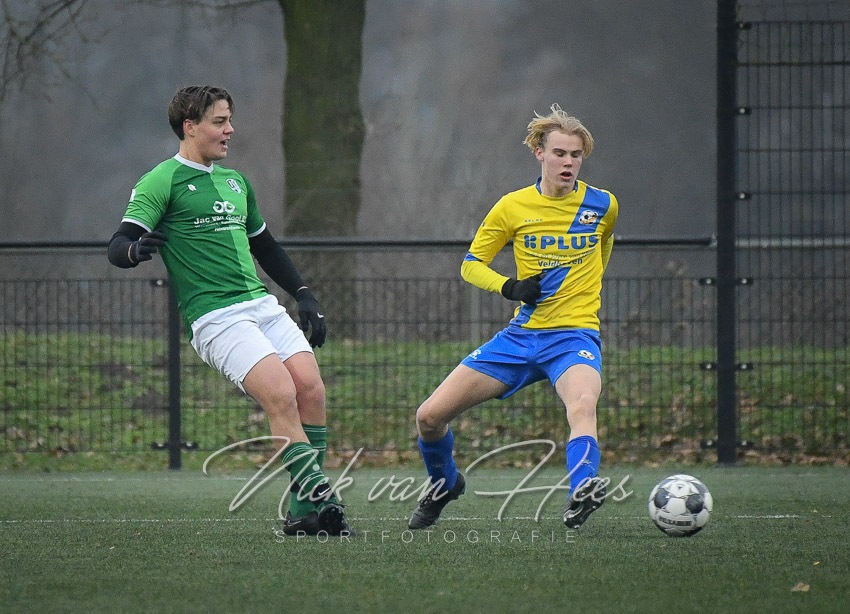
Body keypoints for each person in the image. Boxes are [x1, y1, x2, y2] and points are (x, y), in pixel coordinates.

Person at [107, 85, 352, 537]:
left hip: (261, 306)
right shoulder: (161, 180)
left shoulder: (236, 182)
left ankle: (304, 512)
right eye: (219, 122)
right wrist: (134, 250)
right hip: (215, 317)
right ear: (190, 127)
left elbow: (266, 246)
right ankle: (322, 497)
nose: (230, 130)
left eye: (229, 120)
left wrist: (304, 294)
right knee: (280, 393)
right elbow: (118, 243)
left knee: (311, 389)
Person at [408, 104, 618, 530]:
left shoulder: (602, 205)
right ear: (539, 153)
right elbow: (471, 265)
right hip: (520, 338)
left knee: (582, 404)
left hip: (573, 337)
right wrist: (510, 287)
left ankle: (582, 490)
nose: (568, 163)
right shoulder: (512, 206)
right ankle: (445, 484)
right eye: (559, 153)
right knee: (429, 417)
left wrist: (580, 302)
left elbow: (603, 252)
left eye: (576, 155)